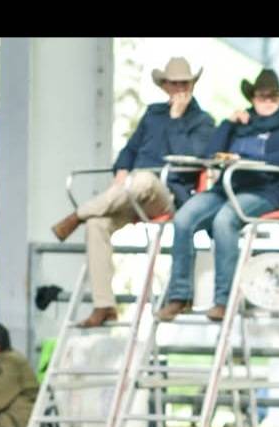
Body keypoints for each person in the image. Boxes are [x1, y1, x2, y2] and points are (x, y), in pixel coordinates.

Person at [50, 57, 215, 328]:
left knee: (145, 180)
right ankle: (104, 305)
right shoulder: (152, 114)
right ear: (165, 86)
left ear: (192, 85)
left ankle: (77, 213)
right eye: (174, 84)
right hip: (130, 194)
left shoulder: (202, 121)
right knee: (97, 224)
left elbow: (193, 159)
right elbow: (131, 148)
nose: (179, 89)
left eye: (184, 83)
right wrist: (122, 169)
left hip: (167, 194)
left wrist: (176, 118)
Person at [157, 69, 279, 323]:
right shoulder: (238, 125)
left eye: (272, 97)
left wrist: (246, 160)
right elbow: (212, 151)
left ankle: (224, 299)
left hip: (263, 191)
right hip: (225, 188)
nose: (267, 101)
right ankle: (179, 295)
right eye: (262, 96)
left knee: (224, 221)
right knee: (183, 218)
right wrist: (228, 123)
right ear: (253, 98)